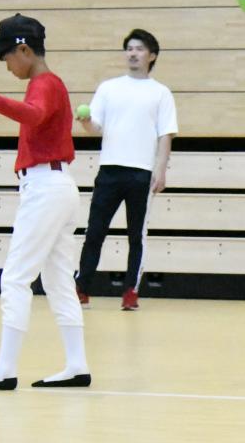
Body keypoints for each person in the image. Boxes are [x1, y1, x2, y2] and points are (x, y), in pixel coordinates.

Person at [0, 13, 91, 390]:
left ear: (24, 49)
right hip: (59, 186)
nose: (4, 64)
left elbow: (33, 116)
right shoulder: (49, 83)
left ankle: (4, 369)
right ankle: (77, 365)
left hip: (45, 188)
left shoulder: (44, 84)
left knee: (15, 277)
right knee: (59, 279)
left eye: (5, 56)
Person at [74, 28, 178, 311]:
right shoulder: (108, 88)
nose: (133, 53)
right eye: (129, 48)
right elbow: (95, 126)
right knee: (95, 231)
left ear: (152, 55)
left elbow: (166, 134)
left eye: (140, 49)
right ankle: (81, 288)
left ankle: (131, 291)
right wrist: (84, 122)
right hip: (109, 171)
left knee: (136, 236)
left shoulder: (161, 93)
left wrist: (161, 169)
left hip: (141, 173)